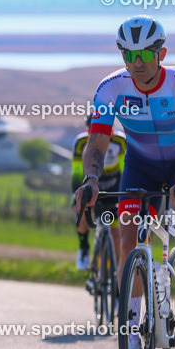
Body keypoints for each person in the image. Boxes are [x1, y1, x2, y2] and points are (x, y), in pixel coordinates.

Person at [74, 15, 175, 349]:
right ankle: (129, 336)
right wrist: (92, 180)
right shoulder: (110, 88)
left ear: (162, 53)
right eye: (128, 54)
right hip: (139, 165)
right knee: (128, 240)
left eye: (144, 53)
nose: (137, 62)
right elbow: (97, 142)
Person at [71, 112, 126, 270]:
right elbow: (76, 173)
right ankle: (84, 247)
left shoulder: (121, 141)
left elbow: (124, 170)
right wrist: (75, 198)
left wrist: (124, 197)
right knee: (81, 209)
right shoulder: (80, 143)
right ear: (88, 132)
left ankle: (116, 275)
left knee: (116, 235)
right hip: (90, 183)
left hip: (114, 186)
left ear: (113, 131)